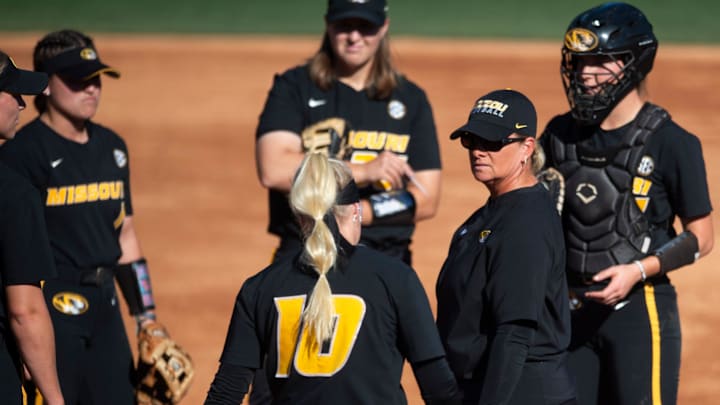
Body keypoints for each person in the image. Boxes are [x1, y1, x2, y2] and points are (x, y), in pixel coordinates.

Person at [539, 3, 714, 404]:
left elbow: (701, 237)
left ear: (634, 63)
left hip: (641, 308)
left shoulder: (673, 142)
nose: (585, 73)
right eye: (580, 62)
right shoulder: (558, 135)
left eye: (600, 60)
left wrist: (637, 271)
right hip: (569, 311)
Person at [205, 153, 459, 405]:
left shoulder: (260, 288)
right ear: (357, 211)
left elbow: (226, 393)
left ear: (298, 216)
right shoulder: (395, 278)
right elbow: (438, 388)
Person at [0, 30, 165, 405]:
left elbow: (126, 237)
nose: (91, 89)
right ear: (46, 85)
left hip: (106, 309)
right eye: (77, 81)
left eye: (96, 79)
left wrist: (146, 317)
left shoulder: (113, 148)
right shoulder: (20, 155)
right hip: (53, 313)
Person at [255, 0, 441, 266]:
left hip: (386, 258)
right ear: (328, 25)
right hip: (306, 252)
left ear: (384, 27)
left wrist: (352, 215)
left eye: (365, 26)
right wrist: (364, 171)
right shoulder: (294, 87)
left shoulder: (411, 99)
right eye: (344, 25)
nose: (354, 37)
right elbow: (273, 168)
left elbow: (426, 198)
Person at [436, 89, 576, 405]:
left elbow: (514, 334)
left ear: (527, 147)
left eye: (492, 142)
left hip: (520, 392)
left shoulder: (526, 224)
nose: (478, 151)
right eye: (471, 140)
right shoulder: (492, 211)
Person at [0, 51, 64, 405]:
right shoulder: (14, 193)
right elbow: (25, 311)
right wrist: (54, 398)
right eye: (13, 93)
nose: (24, 105)